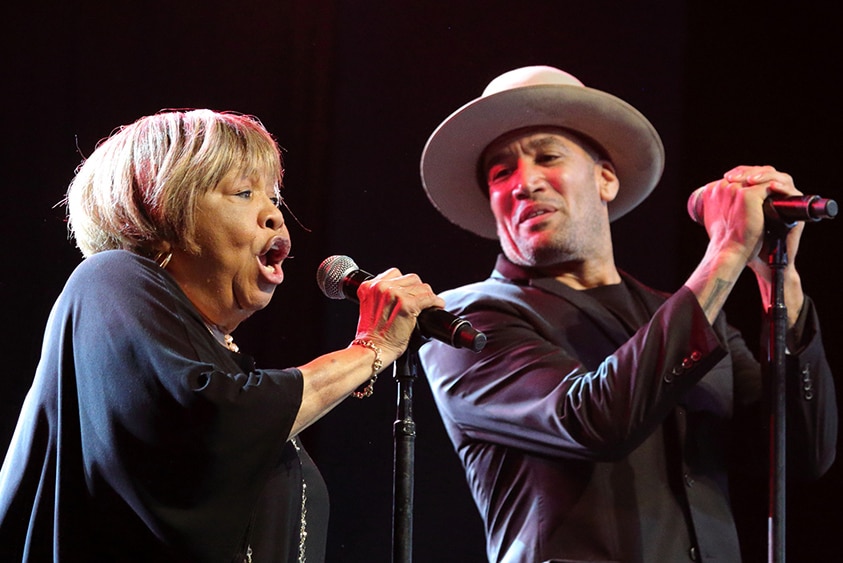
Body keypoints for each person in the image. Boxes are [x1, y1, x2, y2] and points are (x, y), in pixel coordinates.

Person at [417, 66, 837, 562]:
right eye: (500, 172)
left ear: (606, 178)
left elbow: (801, 455)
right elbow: (595, 419)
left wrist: (778, 282)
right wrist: (725, 252)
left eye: (547, 157)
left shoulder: (686, 316)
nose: (524, 183)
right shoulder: (465, 322)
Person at [0, 109, 444, 561]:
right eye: (244, 192)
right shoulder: (106, 278)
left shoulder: (218, 363)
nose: (274, 215)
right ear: (158, 213)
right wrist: (370, 348)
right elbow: (211, 422)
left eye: (273, 196)